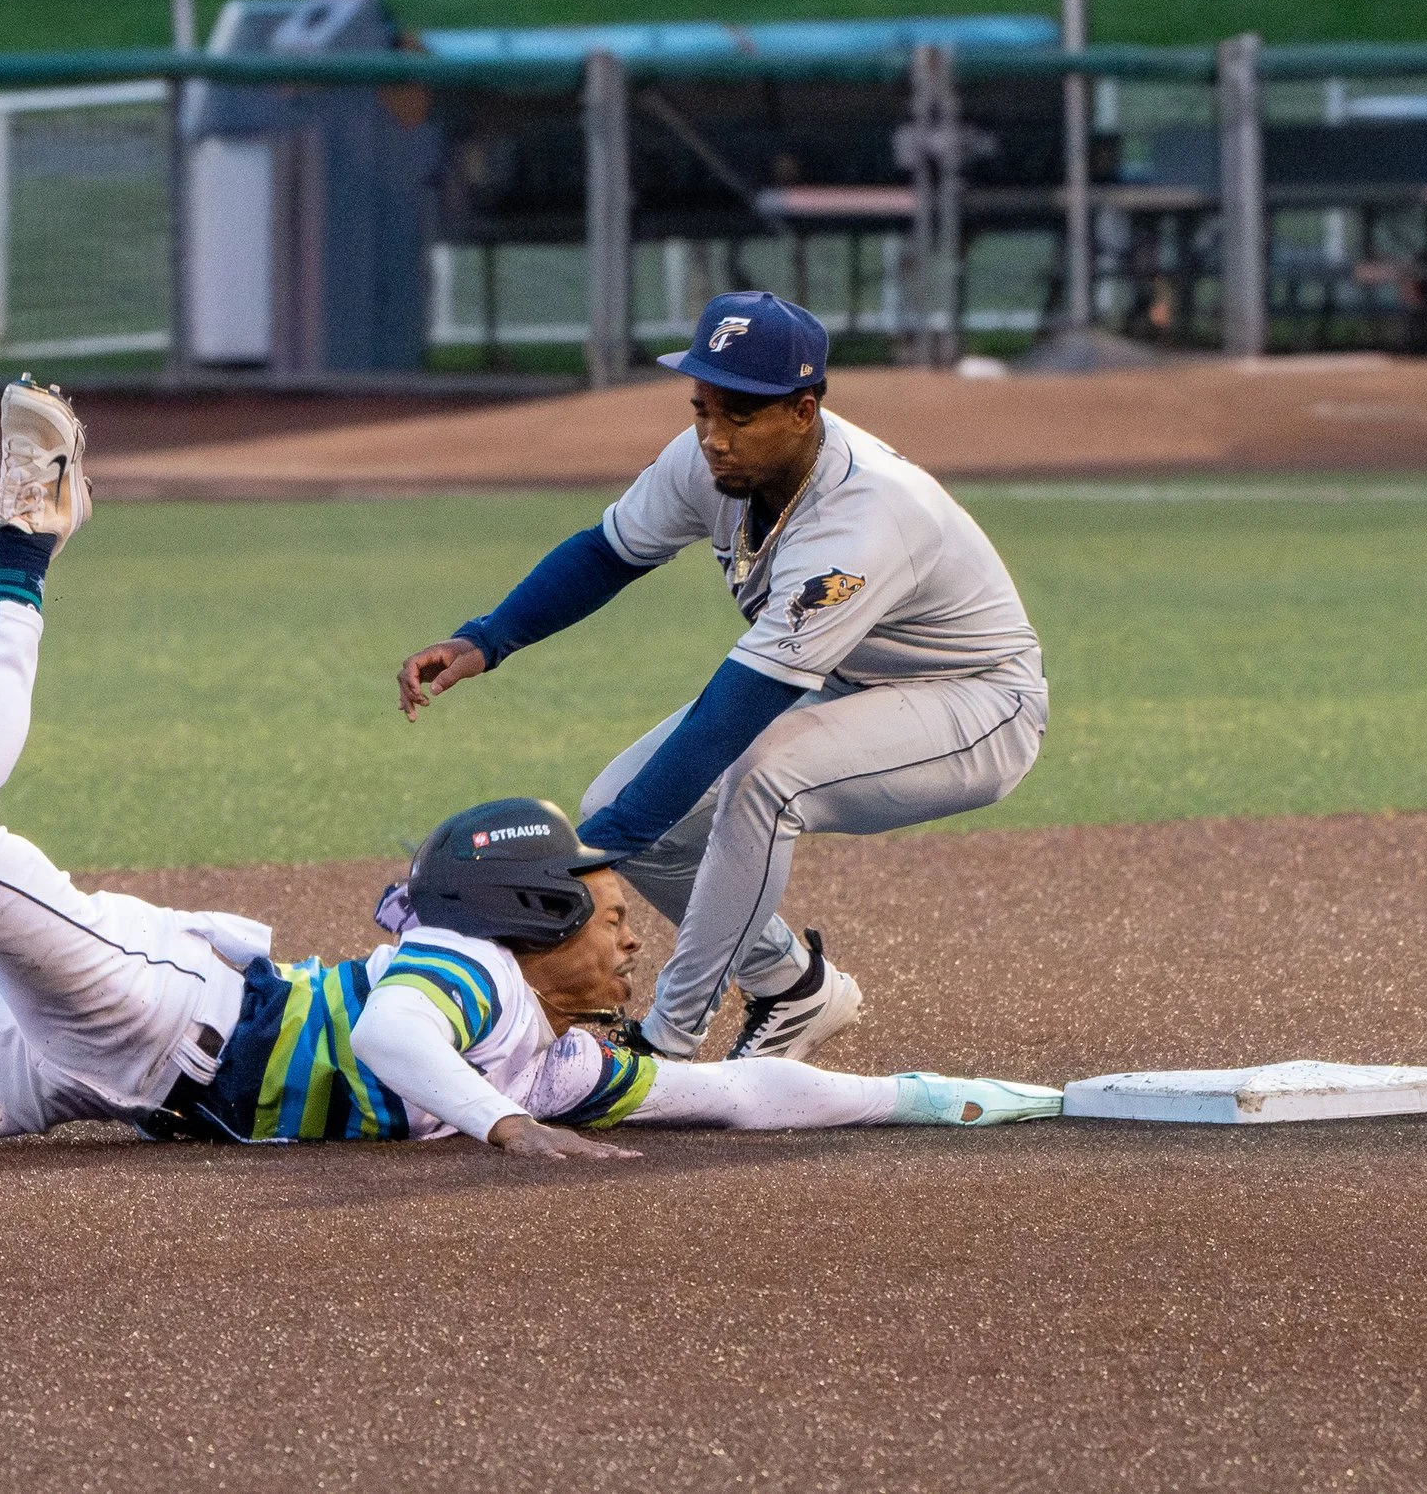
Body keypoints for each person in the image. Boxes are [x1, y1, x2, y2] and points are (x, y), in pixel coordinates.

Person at [0, 378, 1061, 1157]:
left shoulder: (556, 1059)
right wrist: (486, 1132)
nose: (623, 942)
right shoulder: (461, 987)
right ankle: (29, 541)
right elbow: (388, 1039)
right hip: (158, 1016)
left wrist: (943, 1101)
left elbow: (748, 1099)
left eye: (627, 930)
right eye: (603, 917)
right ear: (519, 918)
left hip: (109, 1074)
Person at [397, 292, 1047, 1066]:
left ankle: (669, 1042)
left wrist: (596, 851)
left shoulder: (866, 516)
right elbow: (609, 552)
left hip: (975, 704)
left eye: (739, 415)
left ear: (804, 410)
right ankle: (790, 985)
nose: (713, 437)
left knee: (765, 778)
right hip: (845, 681)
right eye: (702, 407)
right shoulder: (706, 459)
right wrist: (488, 637)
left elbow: (739, 708)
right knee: (618, 803)